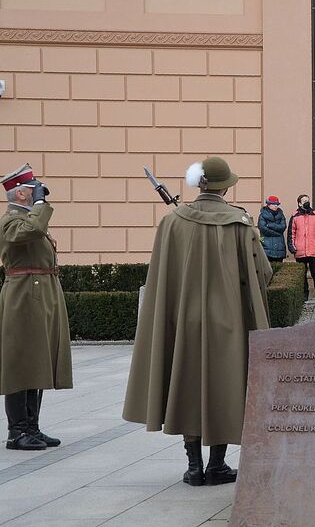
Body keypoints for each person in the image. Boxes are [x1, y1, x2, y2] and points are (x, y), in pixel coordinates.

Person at [123, 156, 272, 487]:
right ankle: (217, 465)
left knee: (188, 386)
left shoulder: (173, 221)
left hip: (184, 320)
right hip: (228, 322)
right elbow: (263, 272)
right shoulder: (240, 222)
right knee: (224, 388)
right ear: (226, 187)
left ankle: (193, 465)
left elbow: (163, 275)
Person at [0, 164, 71, 451]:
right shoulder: (10, 221)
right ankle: (17, 432)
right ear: (19, 193)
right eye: (32, 190)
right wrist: (40, 204)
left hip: (39, 292)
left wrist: (39, 204)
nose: (37, 194)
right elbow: (30, 231)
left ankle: (32, 427)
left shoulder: (27, 218)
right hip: (22, 296)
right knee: (21, 364)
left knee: (38, 360)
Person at [287, 194, 315, 300]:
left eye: (307, 200)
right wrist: (292, 247)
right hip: (300, 250)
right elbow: (291, 233)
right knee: (302, 275)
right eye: (304, 200)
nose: (306, 202)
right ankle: (304, 295)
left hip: (312, 250)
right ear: (300, 203)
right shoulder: (295, 216)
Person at [258, 195, 287, 264]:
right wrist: (277, 233)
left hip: (279, 247)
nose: (276, 206)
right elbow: (263, 229)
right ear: (268, 204)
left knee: (279, 269)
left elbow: (283, 226)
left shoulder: (281, 215)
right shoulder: (262, 215)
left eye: (277, 204)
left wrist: (270, 225)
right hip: (266, 246)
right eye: (274, 204)